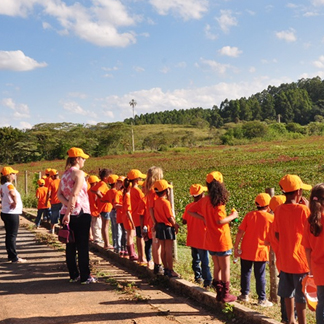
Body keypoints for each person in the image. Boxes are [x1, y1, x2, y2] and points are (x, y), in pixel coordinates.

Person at [188, 171, 237, 303]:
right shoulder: (218, 202)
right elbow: (220, 221)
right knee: (225, 267)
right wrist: (233, 216)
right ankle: (226, 294)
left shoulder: (204, 201)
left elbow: (189, 210)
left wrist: (203, 218)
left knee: (217, 266)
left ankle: (219, 293)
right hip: (222, 239)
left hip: (210, 239)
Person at [274, 174, 311, 324]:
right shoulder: (304, 210)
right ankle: (302, 322)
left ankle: (290, 320)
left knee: (287, 293)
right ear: (298, 192)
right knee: (301, 295)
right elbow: (310, 231)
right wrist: (307, 207)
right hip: (301, 261)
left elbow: (277, 234)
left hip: (285, 259)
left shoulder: (278, 210)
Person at [57, 147, 96, 284]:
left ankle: (74, 275)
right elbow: (75, 194)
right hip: (79, 212)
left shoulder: (65, 174)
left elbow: (59, 195)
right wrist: (69, 211)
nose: (84, 160)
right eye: (83, 158)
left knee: (70, 245)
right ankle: (85, 276)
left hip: (66, 211)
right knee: (82, 246)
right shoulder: (79, 174)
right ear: (77, 159)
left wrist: (66, 207)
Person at [233, 193, 274, 307]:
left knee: (245, 272)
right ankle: (262, 299)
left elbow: (240, 231)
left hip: (246, 249)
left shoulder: (249, 215)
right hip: (262, 251)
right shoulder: (271, 218)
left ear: (256, 204)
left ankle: (244, 295)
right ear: (268, 206)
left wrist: (236, 247)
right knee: (260, 275)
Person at [302, 183, 324, 324]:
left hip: (318, 269)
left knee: (321, 303)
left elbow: (307, 248)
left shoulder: (310, 221)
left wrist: (311, 270)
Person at [182, 184, 212, 288]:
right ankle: (207, 280)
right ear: (202, 194)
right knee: (205, 261)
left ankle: (197, 277)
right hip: (202, 239)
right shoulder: (204, 208)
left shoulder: (188, 207)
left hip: (191, 238)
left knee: (195, 259)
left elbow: (184, 220)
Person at [153, 179, 180, 278]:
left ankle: (165, 268)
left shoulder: (156, 202)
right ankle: (171, 270)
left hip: (159, 226)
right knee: (168, 250)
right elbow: (169, 217)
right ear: (166, 191)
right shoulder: (166, 203)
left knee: (163, 250)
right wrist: (175, 225)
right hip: (167, 227)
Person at [0, 166, 26, 263]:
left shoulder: (2, 186)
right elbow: (12, 193)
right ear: (9, 175)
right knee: (12, 236)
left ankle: (10, 255)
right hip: (12, 213)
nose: (15, 175)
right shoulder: (9, 185)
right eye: (13, 173)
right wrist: (15, 202)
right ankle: (14, 257)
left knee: (9, 235)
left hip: (5, 212)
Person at [144, 166, 164, 275]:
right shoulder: (153, 192)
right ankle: (158, 265)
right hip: (155, 220)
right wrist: (155, 221)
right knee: (157, 245)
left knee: (155, 244)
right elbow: (152, 208)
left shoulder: (149, 190)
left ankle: (157, 265)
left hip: (152, 220)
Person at [128, 169, 146, 264]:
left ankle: (140, 256)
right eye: (140, 178)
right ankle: (142, 257)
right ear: (136, 180)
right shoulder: (137, 191)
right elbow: (145, 201)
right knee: (141, 237)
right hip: (139, 216)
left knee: (138, 237)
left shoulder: (129, 190)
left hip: (134, 215)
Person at [91, 168, 113, 250]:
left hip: (101, 207)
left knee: (104, 225)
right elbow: (97, 192)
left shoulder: (99, 183)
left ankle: (106, 243)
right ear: (105, 178)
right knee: (105, 226)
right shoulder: (103, 185)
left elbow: (92, 190)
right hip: (106, 207)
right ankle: (107, 243)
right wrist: (103, 199)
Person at [102, 174, 119, 252]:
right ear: (115, 183)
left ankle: (115, 244)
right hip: (116, 211)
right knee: (118, 229)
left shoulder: (109, 191)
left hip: (111, 210)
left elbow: (103, 199)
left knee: (113, 228)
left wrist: (109, 200)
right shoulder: (117, 192)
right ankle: (118, 247)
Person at [122, 177, 138, 260]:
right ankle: (132, 253)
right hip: (129, 217)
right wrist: (132, 222)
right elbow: (128, 210)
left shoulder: (125, 194)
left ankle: (131, 252)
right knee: (130, 236)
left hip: (125, 217)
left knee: (129, 235)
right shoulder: (128, 195)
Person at [114, 176, 127, 256]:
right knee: (124, 232)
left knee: (125, 232)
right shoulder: (118, 193)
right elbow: (115, 205)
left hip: (126, 215)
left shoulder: (126, 192)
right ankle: (123, 248)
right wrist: (124, 206)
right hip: (122, 215)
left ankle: (124, 248)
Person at [46, 169, 62, 234]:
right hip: (62, 201)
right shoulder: (62, 181)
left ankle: (52, 229)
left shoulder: (52, 183)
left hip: (54, 202)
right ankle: (63, 230)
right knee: (62, 215)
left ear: (52, 176)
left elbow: (49, 193)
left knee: (54, 216)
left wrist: (46, 200)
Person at [87, 175, 102, 243]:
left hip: (90, 210)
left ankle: (92, 236)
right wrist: (99, 211)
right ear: (95, 183)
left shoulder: (88, 191)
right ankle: (97, 238)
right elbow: (97, 202)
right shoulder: (95, 192)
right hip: (96, 211)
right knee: (97, 225)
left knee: (92, 225)